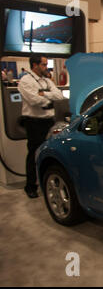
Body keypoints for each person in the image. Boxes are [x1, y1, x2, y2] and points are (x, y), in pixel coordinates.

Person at [18, 54, 64, 198]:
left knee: (50, 152)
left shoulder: (46, 81)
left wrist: (43, 93)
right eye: (44, 64)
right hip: (34, 122)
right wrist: (47, 99)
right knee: (34, 154)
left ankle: (46, 182)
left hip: (49, 121)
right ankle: (30, 186)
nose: (46, 67)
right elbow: (33, 100)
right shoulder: (25, 81)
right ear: (35, 65)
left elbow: (59, 96)